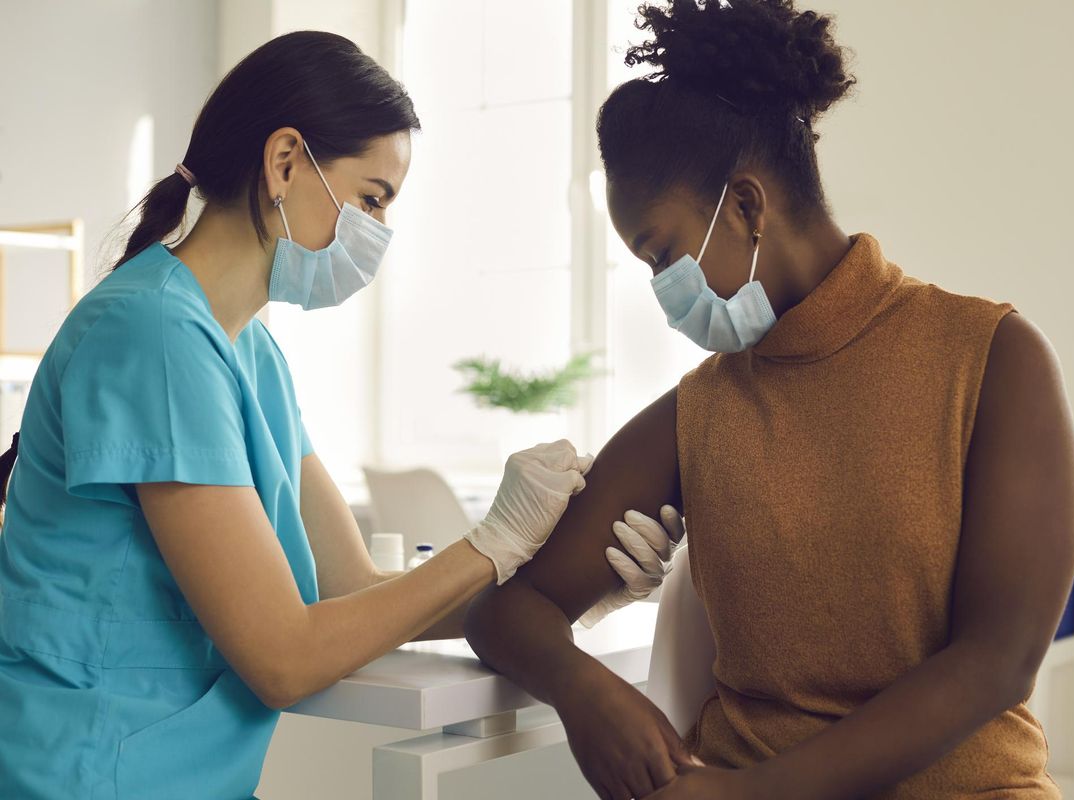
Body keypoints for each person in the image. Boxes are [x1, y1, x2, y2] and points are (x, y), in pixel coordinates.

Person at [0, 31, 674, 800]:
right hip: (89, 773)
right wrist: (493, 542)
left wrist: (567, 588)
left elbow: (348, 586)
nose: (379, 234)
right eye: (372, 199)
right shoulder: (152, 335)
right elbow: (283, 657)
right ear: (285, 161)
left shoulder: (248, 353)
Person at [463, 2, 1074, 799]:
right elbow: (508, 613)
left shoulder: (994, 358)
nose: (661, 291)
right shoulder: (699, 413)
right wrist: (585, 692)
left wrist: (756, 795)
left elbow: (998, 661)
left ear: (748, 206)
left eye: (663, 254)